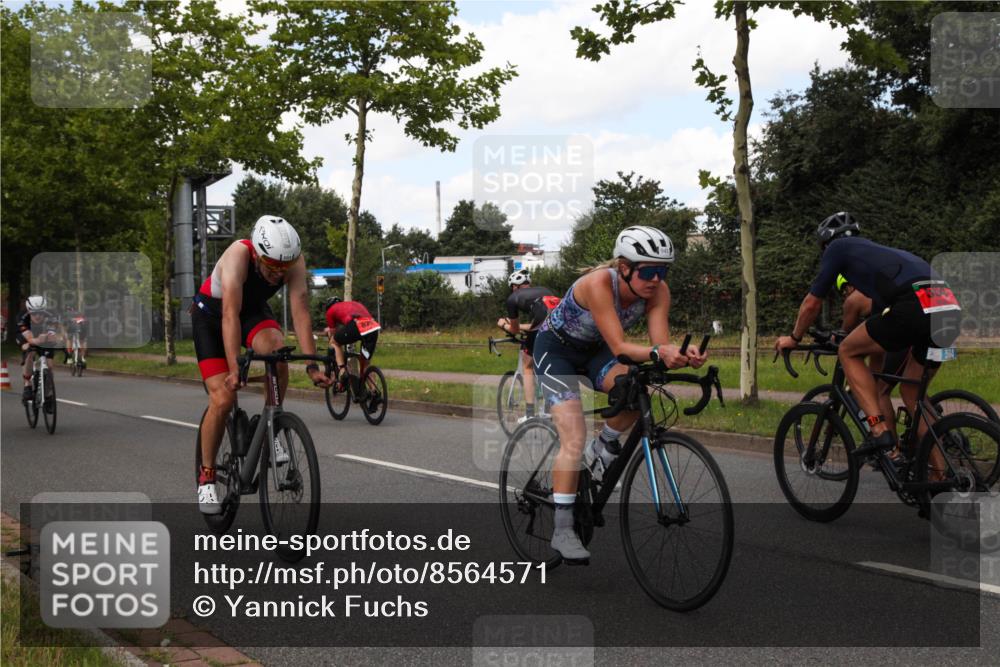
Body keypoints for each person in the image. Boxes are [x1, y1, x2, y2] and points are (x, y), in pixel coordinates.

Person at [532, 226, 707, 563]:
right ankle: (562, 529)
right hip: (556, 351)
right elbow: (620, 347)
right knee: (574, 436)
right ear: (624, 268)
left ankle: (603, 447)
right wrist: (660, 352)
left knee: (637, 388)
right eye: (649, 272)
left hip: (594, 352)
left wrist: (681, 354)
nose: (656, 280)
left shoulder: (658, 292)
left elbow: (658, 347)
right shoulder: (599, 283)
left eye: (663, 272)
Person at [775, 213, 961, 469]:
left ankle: (879, 431)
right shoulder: (882, 260)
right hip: (948, 308)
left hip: (915, 307)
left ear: (826, 245)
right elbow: (879, 331)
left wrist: (794, 338)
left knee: (847, 351)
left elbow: (811, 303)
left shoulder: (837, 249)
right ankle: (943, 473)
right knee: (911, 394)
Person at [193, 215, 331, 514]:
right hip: (213, 317)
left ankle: (272, 425)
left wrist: (312, 366)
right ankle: (207, 477)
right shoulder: (238, 255)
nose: (277, 274)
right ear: (256, 254)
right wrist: (235, 369)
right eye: (271, 266)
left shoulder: (293, 261)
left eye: (283, 268)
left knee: (279, 354)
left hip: (252, 312)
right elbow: (229, 315)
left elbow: (301, 311)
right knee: (223, 398)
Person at [496, 268, 560, 421]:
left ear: (514, 287)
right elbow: (536, 324)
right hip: (561, 322)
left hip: (544, 323)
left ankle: (530, 414)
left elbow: (514, 330)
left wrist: (503, 324)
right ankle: (548, 409)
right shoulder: (544, 291)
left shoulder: (513, 299)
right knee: (548, 363)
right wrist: (521, 327)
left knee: (527, 364)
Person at [322, 296, 381, 394]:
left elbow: (332, 333)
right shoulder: (354, 303)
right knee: (365, 363)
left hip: (356, 325)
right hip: (373, 326)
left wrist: (329, 338)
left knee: (334, 342)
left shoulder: (330, 311)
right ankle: (374, 392)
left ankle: (342, 370)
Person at [15, 295, 64, 403]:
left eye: (40, 313)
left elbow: (54, 334)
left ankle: (48, 393)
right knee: (29, 351)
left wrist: (54, 337)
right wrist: (37, 340)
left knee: (50, 366)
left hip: (43, 334)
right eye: (34, 313)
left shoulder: (52, 314)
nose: (37, 316)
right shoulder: (22, 317)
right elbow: (30, 339)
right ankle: (27, 384)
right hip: (27, 335)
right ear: (29, 311)